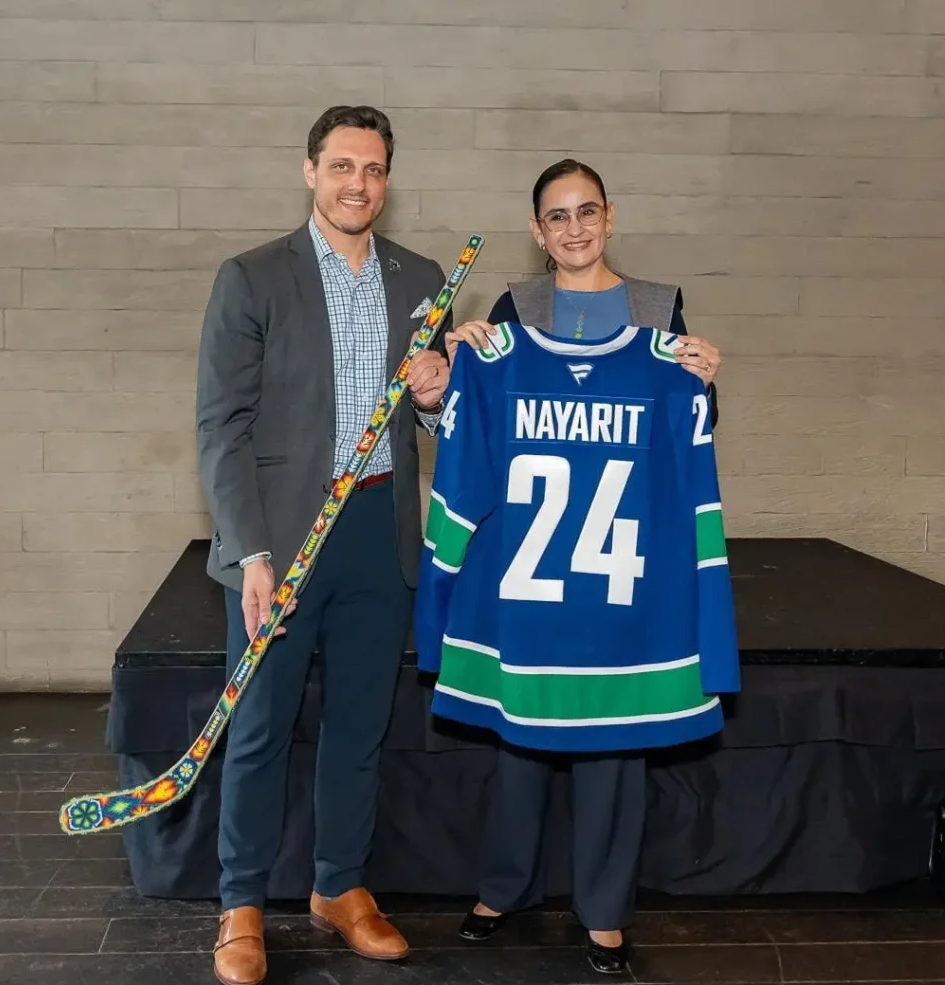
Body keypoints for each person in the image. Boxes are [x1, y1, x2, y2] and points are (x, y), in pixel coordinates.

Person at [436, 159, 729, 977]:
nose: (573, 228)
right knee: (519, 735)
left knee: (614, 741)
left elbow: (690, 424)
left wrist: (708, 381)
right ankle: (505, 887)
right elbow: (468, 421)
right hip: (529, 569)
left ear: (609, 217)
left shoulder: (658, 305)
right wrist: (461, 364)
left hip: (620, 566)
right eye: (556, 217)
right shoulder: (511, 309)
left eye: (586, 212)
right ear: (537, 231)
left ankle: (604, 910)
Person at [195, 104, 452, 985]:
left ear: (389, 179)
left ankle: (339, 887)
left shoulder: (422, 279)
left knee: (359, 726)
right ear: (311, 171)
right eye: (343, 166)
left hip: (380, 534)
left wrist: (433, 395)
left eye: (374, 169)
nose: (359, 184)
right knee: (260, 727)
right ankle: (240, 903)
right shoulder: (253, 277)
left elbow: (449, 424)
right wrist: (250, 551)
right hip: (281, 545)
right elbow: (221, 429)